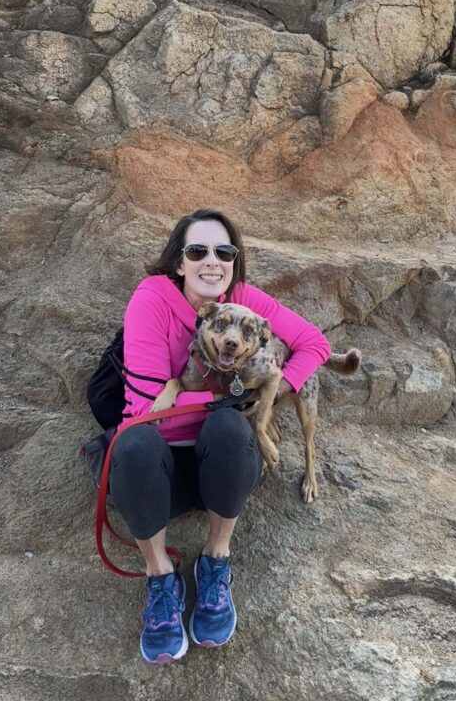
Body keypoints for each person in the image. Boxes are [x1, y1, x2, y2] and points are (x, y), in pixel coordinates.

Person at [109, 207, 331, 664]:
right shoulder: (151, 299)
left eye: (224, 251)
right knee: (134, 444)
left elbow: (316, 345)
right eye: (198, 250)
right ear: (179, 262)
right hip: (159, 474)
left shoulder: (245, 302)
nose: (212, 261)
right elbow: (148, 413)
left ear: (234, 260)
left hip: (223, 471)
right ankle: (160, 576)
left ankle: (215, 560)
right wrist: (227, 398)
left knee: (230, 428)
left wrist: (271, 388)